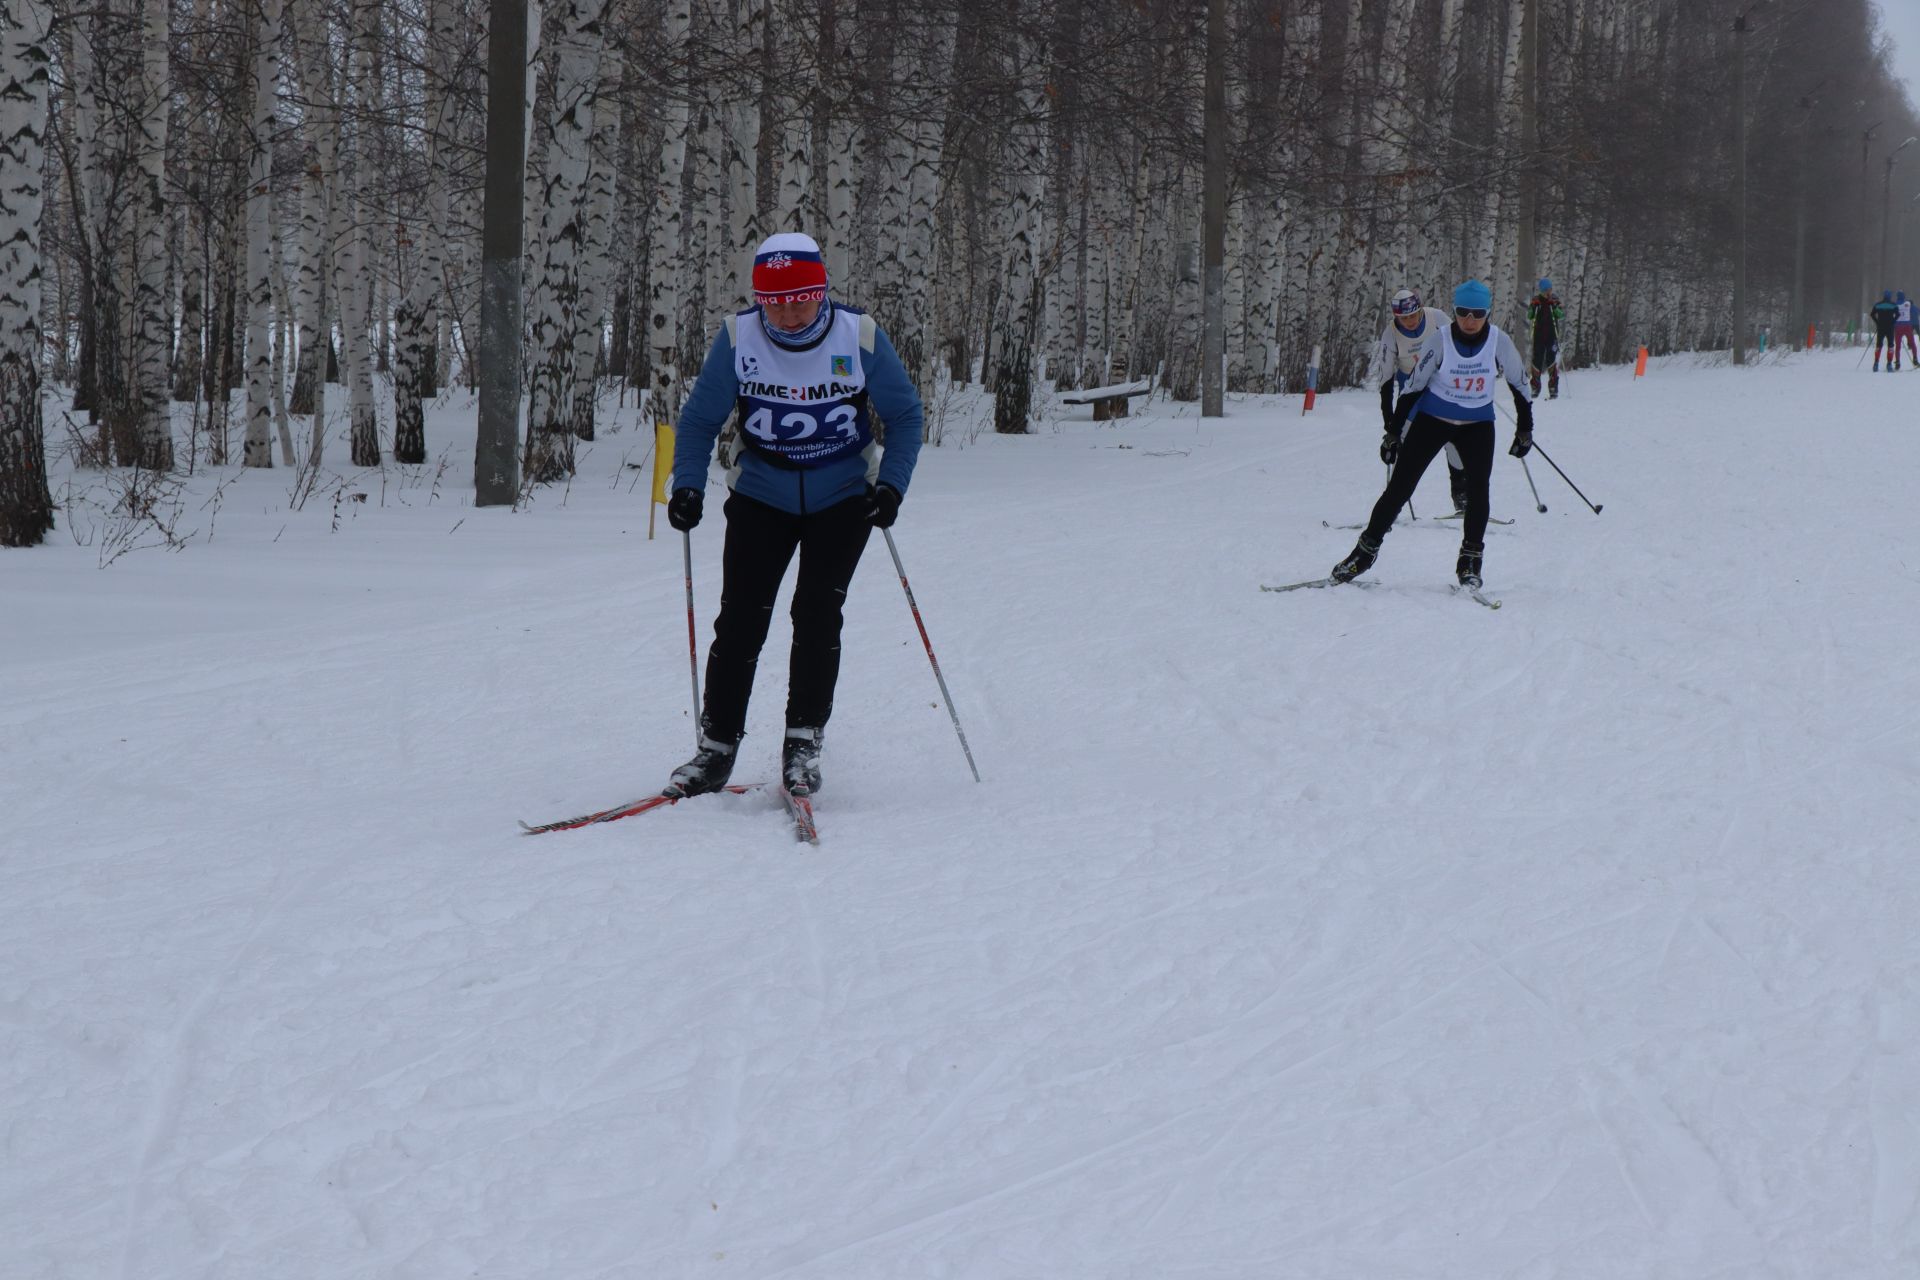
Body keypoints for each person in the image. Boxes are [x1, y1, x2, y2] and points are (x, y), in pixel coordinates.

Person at [664, 231, 924, 798]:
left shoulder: (859, 336)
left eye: (799, 299)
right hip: (762, 494)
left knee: (816, 615)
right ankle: (716, 749)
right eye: (773, 302)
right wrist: (686, 486)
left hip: (843, 498)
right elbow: (700, 420)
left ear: (822, 290)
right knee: (740, 622)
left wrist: (892, 488)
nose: (785, 314)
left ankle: (802, 743)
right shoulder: (739, 337)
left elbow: (905, 416)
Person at [1330, 279, 1533, 590]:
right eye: (1463, 312)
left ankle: (1470, 562)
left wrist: (1525, 429)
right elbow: (1412, 388)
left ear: (1487, 313)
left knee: (1479, 491)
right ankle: (1363, 554)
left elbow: (1520, 384)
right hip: (1433, 420)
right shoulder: (1439, 340)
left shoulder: (1499, 341)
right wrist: (1393, 433)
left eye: (1477, 313)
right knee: (1399, 488)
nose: (1470, 320)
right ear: (1454, 311)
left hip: (1477, 426)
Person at [1367, 287, 1470, 514]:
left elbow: (1460, 345)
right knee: (1405, 446)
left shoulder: (1437, 318)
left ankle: (1462, 496)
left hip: (1441, 387)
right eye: (1403, 318)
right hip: (1411, 392)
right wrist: (1390, 423)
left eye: (1413, 315)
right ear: (1396, 317)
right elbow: (1385, 380)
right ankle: (1392, 505)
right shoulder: (1390, 334)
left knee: (1453, 438)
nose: (1410, 321)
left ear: (1420, 310)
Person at [1526, 277, 1563, 398]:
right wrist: (1533, 307)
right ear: (1541, 290)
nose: (1548, 292)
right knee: (1537, 360)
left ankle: (1553, 387)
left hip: (1552, 335)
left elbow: (1560, 315)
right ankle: (1535, 387)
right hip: (1539, 335)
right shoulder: (1536, 300)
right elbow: (1530, 315)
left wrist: (1555, 307)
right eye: (1545, 290)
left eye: (1550, 289)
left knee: (1551, 360)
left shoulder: (1555, 299)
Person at [1871, 290, 1900, 371]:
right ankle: (1889, 364)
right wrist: (1893, 321)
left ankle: (1876, 364)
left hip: (1881, 327)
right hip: (1890, 328)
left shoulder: (1878, 305)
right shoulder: (1893, 305)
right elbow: (1898, 314)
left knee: (1879, 345)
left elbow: (1872, 314)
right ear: (1890, 296)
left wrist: (1877, 322)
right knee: (1890, 345)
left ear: (1884, 296)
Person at [1897, 291, 1919, 368]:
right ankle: (1915, 358)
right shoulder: (1908, 304)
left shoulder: (1895, 304)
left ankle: (1897, 362)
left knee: (1898, 345)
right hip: (1908, 325)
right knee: (1912, 342)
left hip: (1898, 326)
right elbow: (1915, 310)